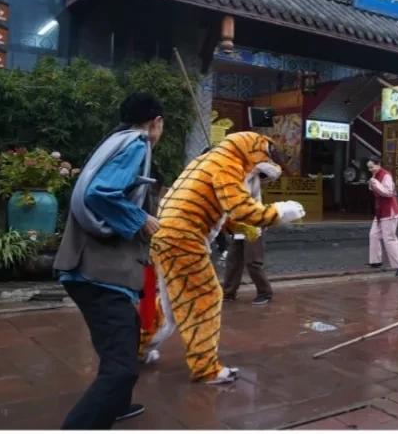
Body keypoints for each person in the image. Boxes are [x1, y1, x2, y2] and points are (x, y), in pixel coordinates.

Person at [137, 132, 306, 384]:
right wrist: (282, 211)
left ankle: (138, 347)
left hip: (166, 235)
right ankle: (206, 368)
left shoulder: (207, 161)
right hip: (184, 237)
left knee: (170, 302)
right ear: (254, 155)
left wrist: (236, 225)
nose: (259, 181)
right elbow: (240, 208)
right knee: (205, 297)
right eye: (260, 174)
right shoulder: (229, 164)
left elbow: (218, 208)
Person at [53, 92, 165, 428]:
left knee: (127, 336)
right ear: (156, 122)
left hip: (91, 270)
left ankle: (116, 404)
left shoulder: (114, 141)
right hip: (97, 274)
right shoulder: (136, 144)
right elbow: (98, 193)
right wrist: (141, 219)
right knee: (120, 369)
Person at [222, 164, 274, 305]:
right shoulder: (227, 175)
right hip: (238, 221)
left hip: (254, 219)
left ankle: (265, 292)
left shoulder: (252, 171)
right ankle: (228, 293)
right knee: (233, 258)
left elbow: (273, 173)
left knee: (253, 260)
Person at [366, 157, 398, 276]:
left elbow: (389, 192)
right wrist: (373, 184)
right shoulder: (376, 175)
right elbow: (376, 190)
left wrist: (375, 184)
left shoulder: (386, 175)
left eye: (372, 167)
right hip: (380, 210)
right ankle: (375, 261)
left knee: (389, 238)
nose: (370, 169)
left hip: (389, 210)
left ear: (378, 164)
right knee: (373, 235)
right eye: (369, 167)